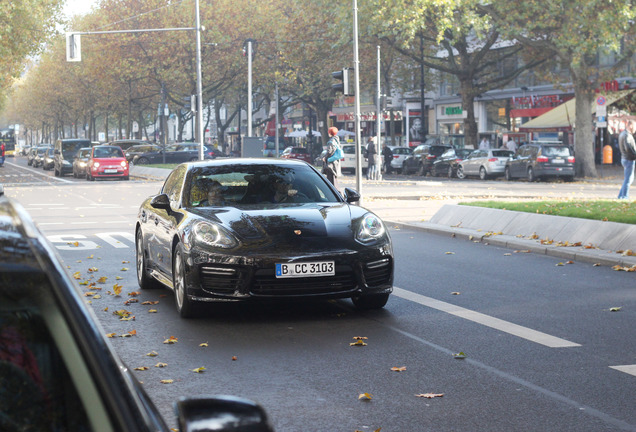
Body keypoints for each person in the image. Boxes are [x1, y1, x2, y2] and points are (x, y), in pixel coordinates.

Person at [617, 120, 636, 199]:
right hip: (629, 159)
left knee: (628, 179)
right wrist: (634, 155)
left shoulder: (623, 134)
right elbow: (628, 148)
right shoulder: (627, 135)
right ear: (630, 125)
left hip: (625, 158)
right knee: (628, 179)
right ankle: (624, 196)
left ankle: (621, 195)